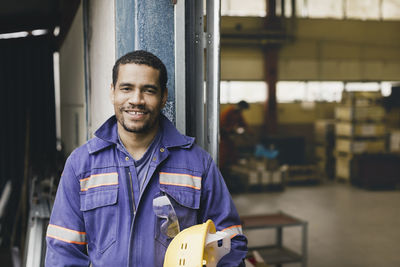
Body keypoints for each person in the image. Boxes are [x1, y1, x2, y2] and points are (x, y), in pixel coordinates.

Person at [45, 50, 247, 266]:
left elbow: (230, 242)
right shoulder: (82, 164)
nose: (136, 100)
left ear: (163, 97)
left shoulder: (198, 164)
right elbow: (63, 252)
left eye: (148, 90)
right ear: (113, 92)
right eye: (126, 88)